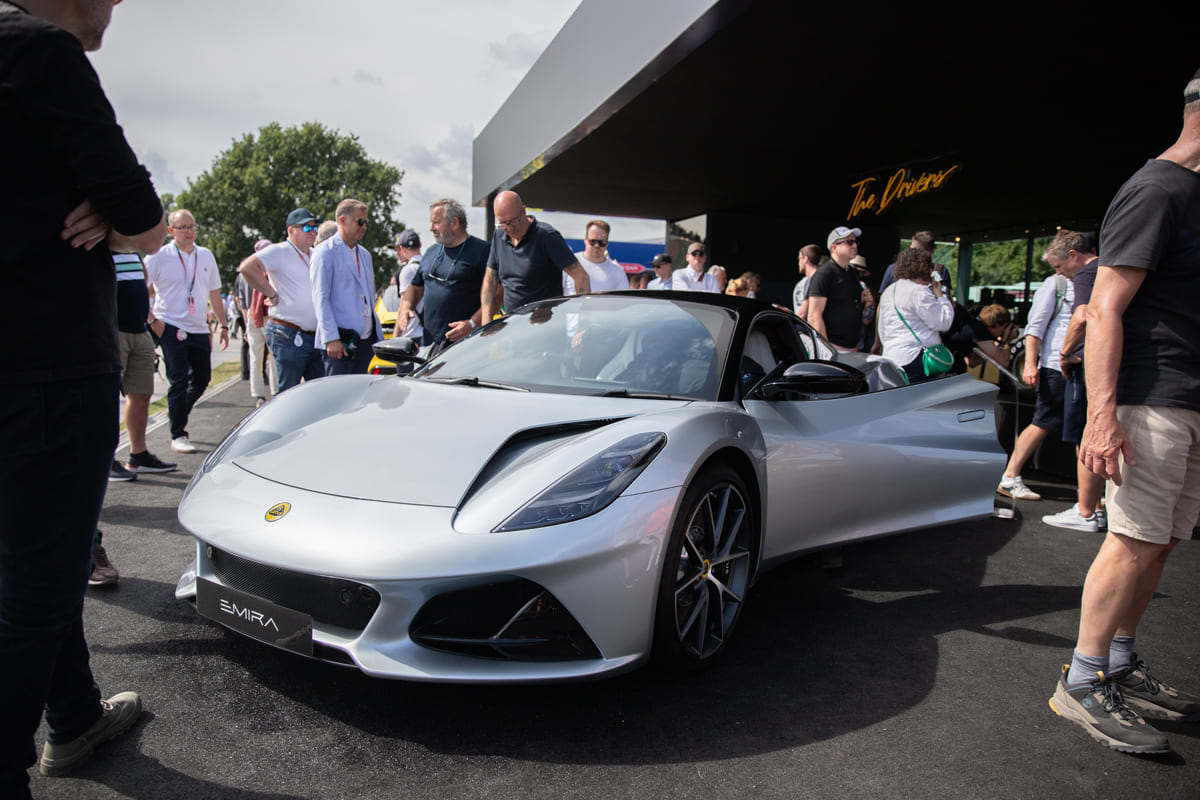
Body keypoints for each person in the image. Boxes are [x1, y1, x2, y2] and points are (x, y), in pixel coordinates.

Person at [1, 2, 168, 794]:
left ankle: (74, 717)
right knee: (32, 588)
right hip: (45, 363)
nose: (112, 8)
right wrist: (117, 213)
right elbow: (142, 214)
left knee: (48, 557)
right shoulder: (42, 51)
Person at [1048, 70, 1200, 755]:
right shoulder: (1157, 188)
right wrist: (1102, 418)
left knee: (1161, 540)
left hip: (1188, 395)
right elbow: (1103, 307)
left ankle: (1118, 664)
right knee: (1133, 539)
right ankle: (1082, 683)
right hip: (1153, 393)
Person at [996, 246, 1079, 500]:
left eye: (1059, 265)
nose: (1058, 270)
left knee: (1077, 426)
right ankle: (1010, 475)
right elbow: (1035, 326)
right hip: (1056, 364)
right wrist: (1031, 363)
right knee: (1045, 421)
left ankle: (1090, 491)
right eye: (1056, 266)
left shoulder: (1083, 282)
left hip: (1074, 363)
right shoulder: (1055, 285)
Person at [145, 209, 229, 454]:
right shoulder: (158, 257)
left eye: (192, 226)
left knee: (202, 379)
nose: (190, 231)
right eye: (183, 227)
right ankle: (178, 433)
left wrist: (223, 325)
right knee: (178, 379)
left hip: (198, 326)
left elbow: (214, 292)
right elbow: (140, 288)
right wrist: (152, 321)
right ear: (171, 231)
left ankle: (178, 412)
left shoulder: (205, 255)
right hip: (169, 324)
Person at [1040, 230, 1107, 533]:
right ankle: (1099, 507)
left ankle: (1085, 512)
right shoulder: (1109, 269)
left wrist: (1065, 353)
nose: (1060, 274)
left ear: (1073, 256)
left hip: (1086, 362)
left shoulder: (1085, 274)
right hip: (1116, 364)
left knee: (1086, 436)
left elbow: (1081, 316)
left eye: (1058, 267)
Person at [238, 208, 324, 393]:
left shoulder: (315, 253)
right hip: (289, 333)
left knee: (319, 392)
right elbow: (247, 268)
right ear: (291, 230)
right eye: (306, 228)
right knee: (288, 392)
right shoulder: (279, 251)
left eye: (314, 227)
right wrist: (271, 293)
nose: (313, 232)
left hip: (314, 335)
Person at [114, 251, 177, 475]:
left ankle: (138, 455)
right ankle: (105, 459)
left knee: (141, 394)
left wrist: (149, 322)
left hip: (139, 331)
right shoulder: (100, 249)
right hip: (113, 331)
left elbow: (143, 287)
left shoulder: (133, 252)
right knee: (107, 399)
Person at [481, 190, 589, 320]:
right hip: (512, 326)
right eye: (503, 223)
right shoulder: (498, 236)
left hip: (545, 327)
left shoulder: (547, 236)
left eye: (513, 221)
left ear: (524, 211)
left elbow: (581, 276)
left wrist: (583, 320)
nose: (509, 228)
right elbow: (490, 280)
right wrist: (486, 321)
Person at [400, 198, 490, 353]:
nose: (431, 228)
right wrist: (406, 307)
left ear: (454, 223)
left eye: (436, 222)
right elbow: (415, 288)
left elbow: (496, 293)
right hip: (428, 346)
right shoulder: (431, 252)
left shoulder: (482, 251)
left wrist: (472, 324)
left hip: (466, 345)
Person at [311, 198, 383, 376]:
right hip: (340, 341)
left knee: (360, 395)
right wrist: (331, 338)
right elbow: (321, 298)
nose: (364, 227)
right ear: (342, 220)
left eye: (366, 222)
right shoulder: (325, 252)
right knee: (338, 397)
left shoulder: (365, 255)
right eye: (360, 222)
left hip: (365, 340)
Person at [876, 247, 954, 383]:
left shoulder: (889, 291)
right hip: (917, 358)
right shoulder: (919, 292)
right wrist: (941, 296)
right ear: (925, 268)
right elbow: (943, 323)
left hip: (892, 358)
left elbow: (882, 329)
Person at [808, 226, 868, 350]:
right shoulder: (824, 274)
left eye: (855, 242)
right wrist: (827, 350)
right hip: (834, 347)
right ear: (834, 247)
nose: (855, 246)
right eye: (849, 242)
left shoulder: (853, 272)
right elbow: (814, 315)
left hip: (853, 346)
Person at [567, 219, 627, 294]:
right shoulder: (569, 263)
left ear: (607, 243)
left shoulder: (618, 271)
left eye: (602, 242)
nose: (597, 245)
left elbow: (622, 301)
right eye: (592, 241)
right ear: (585, 239)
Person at [793, 243, 822, 318]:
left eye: (799, 259)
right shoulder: (824, 277)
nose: (799, 263)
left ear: (805, 259)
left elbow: (802, 313)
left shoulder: (812, 280)